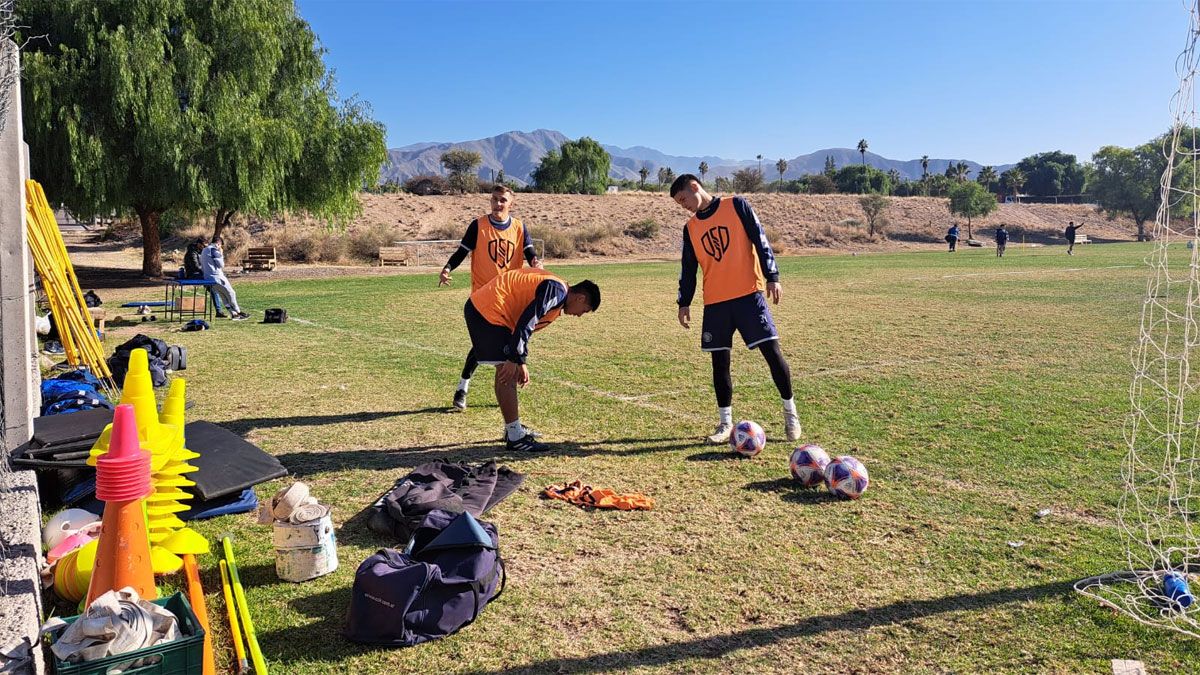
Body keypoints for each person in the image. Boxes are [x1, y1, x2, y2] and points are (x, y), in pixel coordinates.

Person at [669, 174, 802, 444]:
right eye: (678, 203)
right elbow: (688, 268)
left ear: (695, 186)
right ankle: (725, 424)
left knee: (772, 353)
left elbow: (760, 238)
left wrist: (772, 276)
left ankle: (791, 414)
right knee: (720, 363)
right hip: (715, 303)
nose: (682, 205)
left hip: (748, 295)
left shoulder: (737, 205)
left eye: (683, 199)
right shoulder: (690, 227)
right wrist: (684, 301)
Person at [464, 268, 600, 452]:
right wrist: (516, 359)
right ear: (580, 298)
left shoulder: (557, 292)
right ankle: (515, 436)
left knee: (506, 370)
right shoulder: (557, 291)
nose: (579, 315)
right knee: (507, 372)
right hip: (489, 311)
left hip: (488, 311)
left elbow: (524, 323)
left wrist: (520, 361)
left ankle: (512, 429)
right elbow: (528, 319)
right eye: (583, 311)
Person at [440, 185, 541, 411]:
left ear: (510, 203)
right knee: (485, 344)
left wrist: (536, 263)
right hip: (483, 298)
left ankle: (481, 390)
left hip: (509, 297)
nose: (498, 204)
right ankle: (464, 388)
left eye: (503, 200)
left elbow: (530, 253)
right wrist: (447, 268)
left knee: (505, 343)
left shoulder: (519, 228)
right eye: (495, 199)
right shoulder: (478, 226)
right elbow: (461, 252)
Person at [200, 237, 249, 321]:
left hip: (208, 278)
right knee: (231, 293)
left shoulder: (204, 250)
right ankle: (238, 312)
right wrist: (221, 253)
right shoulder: (214, 250)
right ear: (218, 244)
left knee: (223, 296)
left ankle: (233, 313)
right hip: (217, 277)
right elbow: (221, 265)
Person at [185, 238, 227, 317]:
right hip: (194, 274)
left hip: (202, 274)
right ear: (199, 244)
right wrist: (207, 272)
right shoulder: (192, 253)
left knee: (213, 289)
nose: (205, 247)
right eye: (204, 246)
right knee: (213, 288)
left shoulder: (202, 251)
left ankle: (219, 311)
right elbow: (196, 267)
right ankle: (219, 310)